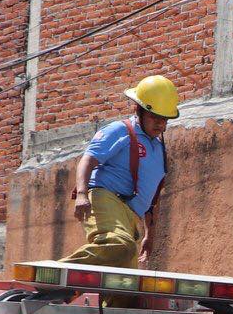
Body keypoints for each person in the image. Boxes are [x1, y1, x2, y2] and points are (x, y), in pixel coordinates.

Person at [68, 75, 178, 272]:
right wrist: (82, 194)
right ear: (138, 110)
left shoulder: (159, 148)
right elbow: (88, 159)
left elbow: (153, 198)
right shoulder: (121, 130)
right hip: (107, 199)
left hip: (132, 216)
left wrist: (149, 235)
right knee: (120, 245)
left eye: (164, 119)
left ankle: (60, 293)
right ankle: (53, 274)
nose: (160, 124)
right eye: (154, 117)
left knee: (124, 283)